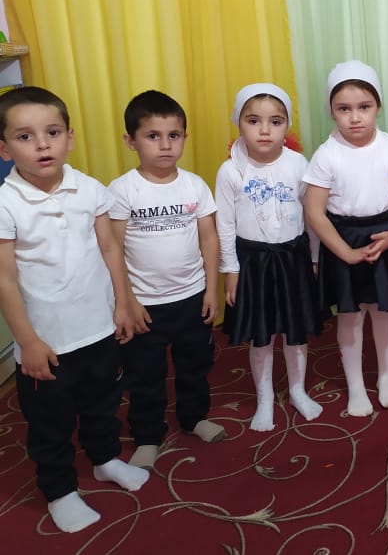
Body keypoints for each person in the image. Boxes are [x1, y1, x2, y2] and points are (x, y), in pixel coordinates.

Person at [0, 87, 149, 533]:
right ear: (4, 149)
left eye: (52, 132)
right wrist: (27, 341)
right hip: (47, 342)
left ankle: (105, 459)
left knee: (104, 403)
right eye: (25, 137)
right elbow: (5, 279)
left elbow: (110, 249)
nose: (42, 144)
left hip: (99, 329)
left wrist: (123, 302)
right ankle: (60, 490)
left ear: (70, 137)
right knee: (50, 423)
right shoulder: (6, 204)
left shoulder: (90, 189)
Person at [109, 90, 225, 469]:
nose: (165, 145)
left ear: (184, 138)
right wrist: (127, 301)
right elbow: (112, 249)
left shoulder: (194, 185)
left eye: (173, 135)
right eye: (152, 136)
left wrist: (212, 289)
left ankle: (194, 417)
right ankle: (147, 434)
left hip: (191, 298)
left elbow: (209, 238)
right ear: (131, 141)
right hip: (144, 305)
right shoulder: (123, 190)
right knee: (145, 375)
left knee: (195, 364)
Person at [303, 61, 388, 417]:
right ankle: (355, 386)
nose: (355, 117)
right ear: (331, 111)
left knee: (384, 312)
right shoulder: (326, 154)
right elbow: (314, 212)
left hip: (386, 235)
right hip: (344, 240)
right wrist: (347, 253)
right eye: (344, 109)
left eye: (364, 107)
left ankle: (386, 378)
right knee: (350, 315)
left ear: (378, 107)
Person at [216, 84, 326, 432]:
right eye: (253, 121)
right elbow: (225, 224)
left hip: (294, 259)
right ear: (238, 123)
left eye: (275, 122)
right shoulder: (230, 171)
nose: (264, 130)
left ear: (286, 126)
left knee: (296, 332)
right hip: (254, 263)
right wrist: (230, 270)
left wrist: (314, 257)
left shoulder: (298, 164)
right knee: (261, 336)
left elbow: (312, 215)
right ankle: (264, 399)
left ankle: (297, 390)